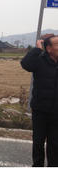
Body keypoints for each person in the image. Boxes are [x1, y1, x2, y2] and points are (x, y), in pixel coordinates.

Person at [20, 35, 58, 167]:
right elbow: (25, 64)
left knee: (55, 143)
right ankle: (37, 165)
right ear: (48, 48)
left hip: (56, 111)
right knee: (38, 141)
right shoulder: (40, 60)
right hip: (40, 109)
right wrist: (36, 49)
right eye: (57, 44)